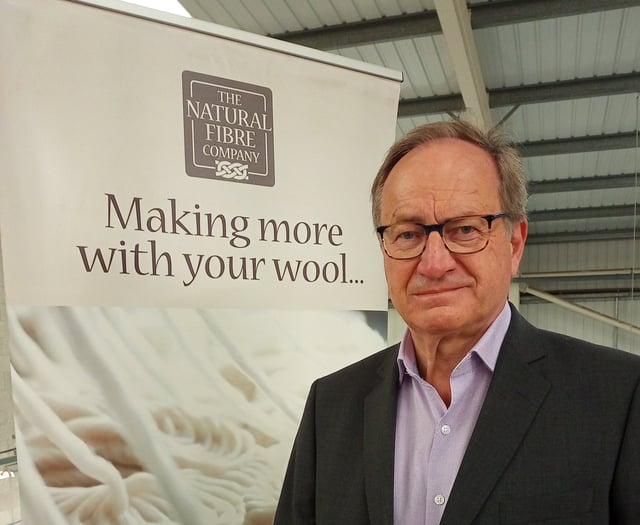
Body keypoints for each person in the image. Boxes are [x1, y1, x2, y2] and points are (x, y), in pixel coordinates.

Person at [273, 119, 640, 524]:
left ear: (515, 244)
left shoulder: (619, 397)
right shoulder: (330, 405)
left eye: (465, 229)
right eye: (408, 234)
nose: (434, 264)